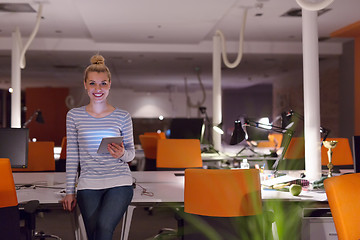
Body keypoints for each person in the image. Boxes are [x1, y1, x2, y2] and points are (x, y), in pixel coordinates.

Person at [62, 54, 135, 240]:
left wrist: (121, 154)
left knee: (103, 228)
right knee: (94, 234)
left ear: (109, 84)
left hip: (119, 181)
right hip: (88, 183)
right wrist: (70, 191)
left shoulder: (123, 116)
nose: (98, 88)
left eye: (103, 83)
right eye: (93, 83)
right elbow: (72, 157)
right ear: (85, 84)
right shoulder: (74, 116)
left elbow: (131, 155)